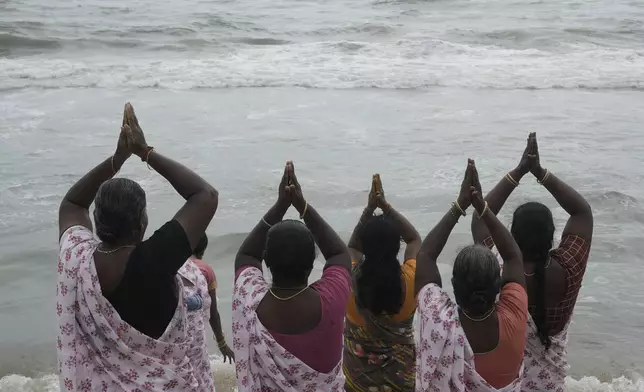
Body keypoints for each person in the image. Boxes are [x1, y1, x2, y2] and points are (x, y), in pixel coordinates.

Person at [57, 103, 218, 391]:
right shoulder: (156, 259)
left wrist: (117, 159)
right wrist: (145, 152)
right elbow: (205, 194)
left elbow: (72, 203)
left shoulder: (77, 258)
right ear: (141, 223)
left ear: (96, 219)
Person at [470, 133, 593, 392]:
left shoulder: (495, 270)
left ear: (511, 236)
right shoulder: (570, 267)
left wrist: (519, 171)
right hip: (552, 385)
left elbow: (481, 218)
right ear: (552, 236)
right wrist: (540, 172)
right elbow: (582, 211)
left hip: (509, 384)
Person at [232, 161, 351, 391]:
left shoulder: (250, 297)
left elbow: (246, 254)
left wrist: (280, 205)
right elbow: (339, 254)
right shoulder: (332, 300)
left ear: (266, 261)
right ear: (312, 263)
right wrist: (301, 205)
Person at [415, 159, 528, 392]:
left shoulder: (437, 315)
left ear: (453, 287)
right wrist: (482, 208)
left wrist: (461, 204)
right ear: (499, 286)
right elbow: (513, 257)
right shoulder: (515, 315)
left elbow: (425, 255)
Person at [343, 174, 420, 392]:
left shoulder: (349, 281)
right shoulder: (411, 280)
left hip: (357, 388)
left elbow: (352, 247)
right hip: (401, 386)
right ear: (398, 247)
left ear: (364, 247)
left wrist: (369, 210)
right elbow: (414, 239)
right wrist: (386, 207)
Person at [179, 234, 235, 364]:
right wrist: (222, 343)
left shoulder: (173, 266)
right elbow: (213, 313)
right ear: (203, 250)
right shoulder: (205, 270)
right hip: (194, 338)